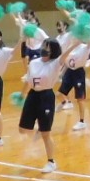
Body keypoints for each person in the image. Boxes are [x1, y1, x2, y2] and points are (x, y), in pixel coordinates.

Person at [19, 38, 60, 172]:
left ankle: (51, 162)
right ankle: (39, 128)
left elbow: (66, 53)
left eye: (47, 47)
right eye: (43, 45)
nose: (44, 48)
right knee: (22, 129)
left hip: (46, 96)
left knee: (46, 134)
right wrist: (22, 94)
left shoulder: (56, 63)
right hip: (32, 95)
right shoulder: (34, 62)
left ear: (53, 50)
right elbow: (29, 80)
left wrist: (78, 41)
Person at [54, 34, 90, 130]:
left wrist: (88, 33)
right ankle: (64, 103)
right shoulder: (69, 48)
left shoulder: (84, 47)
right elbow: (66, 62)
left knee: (80, 99)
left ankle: (82, 121)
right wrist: (61, 73)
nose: (73, 38)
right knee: (58, 93)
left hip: (79, 73)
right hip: (69, 72)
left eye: (75, 36)